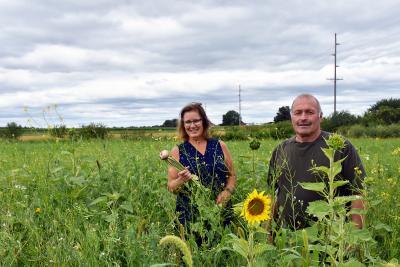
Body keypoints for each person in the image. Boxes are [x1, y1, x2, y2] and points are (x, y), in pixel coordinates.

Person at [267, 94, 366, 230]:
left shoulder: (339, 146)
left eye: (310, 112)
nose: (303, 118)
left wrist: (354, 238)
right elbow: (273, 194)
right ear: (292, 117)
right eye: (298, 113)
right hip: (287, 239)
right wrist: (269, 233)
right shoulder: (280, 150)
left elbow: (358, 192)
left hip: (331, 239)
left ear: (320, 116)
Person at [167, 102, 236, 230]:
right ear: (183, 125)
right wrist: (181, 180)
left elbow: (231, 174)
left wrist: (228, 191)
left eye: (196, 121)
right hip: (191, 219)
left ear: (203, 121)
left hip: (221, 211)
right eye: (187, 122)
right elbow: (171, 187)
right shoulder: (178, 151)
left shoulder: (219, 145)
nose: (192, 125)